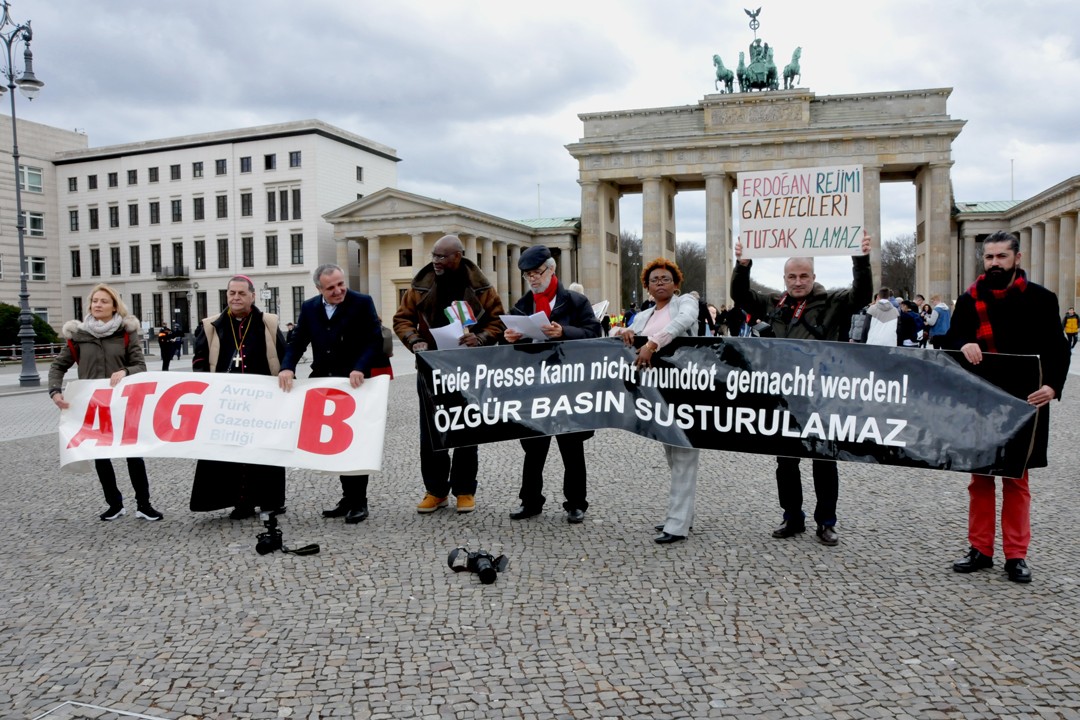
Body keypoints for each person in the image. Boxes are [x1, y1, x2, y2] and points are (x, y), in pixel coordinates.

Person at [731, 232, 872, 545]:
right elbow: (740, 296)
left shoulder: (833, 302)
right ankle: (792, 516)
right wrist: (743, 265)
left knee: (824, 459)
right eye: (792, 276)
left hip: (821, 393)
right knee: (786, 461)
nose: (797, 282)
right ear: (784, 278)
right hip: (784, 395)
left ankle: (827, 522)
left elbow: (862, 295)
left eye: (803, 275)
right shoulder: (773, 303)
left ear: (814, 276)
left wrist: (860, 259)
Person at [947, 231, 1070, 583]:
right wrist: (964, 342)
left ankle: (1016, 555)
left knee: (1017, 479)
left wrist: (1053, 386)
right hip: (981, 397)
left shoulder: (1042, 299)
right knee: (980, 477)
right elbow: (949, 338)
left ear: (1017, 258)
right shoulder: (970, 299)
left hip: (1025, 399)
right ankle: (980, 549)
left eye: (1001, 256)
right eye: (989, 257)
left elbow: (1057, 348)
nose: (994, 263)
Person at [393, 234, 505, 514]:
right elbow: (402, 319)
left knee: (467, 428)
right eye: (433, 255)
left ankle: (464, 490)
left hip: (469, 369)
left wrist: (479, 338)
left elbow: (497, 322)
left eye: (442, 256)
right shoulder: (420, 286)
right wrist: (414, 340)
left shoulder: (481, 288)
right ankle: (436, 491)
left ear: (458, 256)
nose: (436, 261)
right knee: (432, 432)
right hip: (431, 368)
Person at [278, 264, 386, 524]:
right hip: (324, 382)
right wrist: (287, 367)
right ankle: (347, 499)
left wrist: (360, 367)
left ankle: (359, 501)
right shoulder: (309, 308)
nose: (338, 291)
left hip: (355, 384)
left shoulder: (362, 302)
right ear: (319, 289)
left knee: (354, 442)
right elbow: (298, 341)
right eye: (331, 288)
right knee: (335, 442)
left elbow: (375, 339)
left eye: (341, 284)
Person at [48, 283, 163, 522]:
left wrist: (125, 371)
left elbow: (140, 365)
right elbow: (58, 365)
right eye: (94, 301)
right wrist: (55, 391)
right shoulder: (78, 335)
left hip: (124, 403)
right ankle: (114, 504)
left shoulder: (125, 333)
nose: (98, 305)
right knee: (101, 456)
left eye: (103, 301)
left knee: (134, 454)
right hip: (94, 405)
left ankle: (144, 504)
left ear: (114, 306)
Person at [503, 246, 602, 524]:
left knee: (571, 447)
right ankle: (531, 501)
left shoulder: (574, 301)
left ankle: (576, 502)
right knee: (533, 448)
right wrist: (511, 338)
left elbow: (594, 333)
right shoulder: (523, 304)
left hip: (568, 385)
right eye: (527, 275)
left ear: (551, 269)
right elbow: (516, 346)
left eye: (536, 273)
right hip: (535, 386)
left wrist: (564, 332)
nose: (532, 279)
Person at [611, 258, 700, 544]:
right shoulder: (643, 316)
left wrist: (652, 344)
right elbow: (616, 333)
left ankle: (677, 523)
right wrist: (622, 332)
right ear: (647, 287)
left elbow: (681, 323)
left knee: (684, 452)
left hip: (685, 389)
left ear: (676, 284)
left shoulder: (686, 302)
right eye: (654, 280)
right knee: (673, 455)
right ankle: (681, 513)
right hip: (658, 394)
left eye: (665, 279)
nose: (659, 283)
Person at [191, 275, 287, 520]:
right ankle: (241, 502)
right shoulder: (212, 325)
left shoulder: (267, 323)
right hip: (227, 404)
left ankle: (270, 501)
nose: (236, 297)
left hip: (262, 403)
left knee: (266, 451)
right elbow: (200, 360)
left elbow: (284, 356)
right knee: (232, 453)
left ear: (252, 296)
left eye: (241, 293)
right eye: (232, 293)